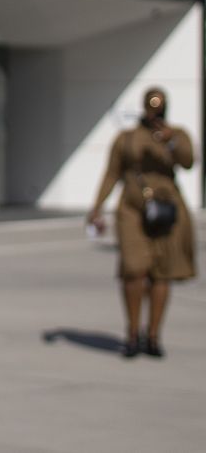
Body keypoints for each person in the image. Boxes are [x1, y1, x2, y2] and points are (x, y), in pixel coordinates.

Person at [88, 88, 196, 358]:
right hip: (133, 210)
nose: (154, 113)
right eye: (151, 107)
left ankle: (154, 336)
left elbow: (188, 161)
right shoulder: (126, 139)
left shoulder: (176, 135)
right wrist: (97, 207)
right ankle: (133, 334)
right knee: (134, 270)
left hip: (168, 211)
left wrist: (170, 141)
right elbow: (111, 174)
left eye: (159, 108)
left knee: (162, 273)